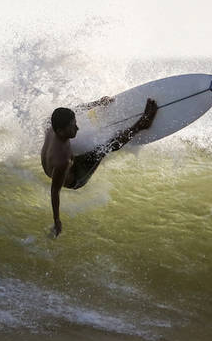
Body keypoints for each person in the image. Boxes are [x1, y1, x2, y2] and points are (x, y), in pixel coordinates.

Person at [40, 97, 158, 237]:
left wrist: (98, 103)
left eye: (75, 123)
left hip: (55, 168)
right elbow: (54, 191)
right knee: (105, 147)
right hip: (75, 177)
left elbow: (76, 110)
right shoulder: (63, 160)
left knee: (89, 147)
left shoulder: (50, 125)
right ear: (60, 131)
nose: (77, 127)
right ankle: (142, 125)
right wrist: (57, 221)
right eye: (73, 126)